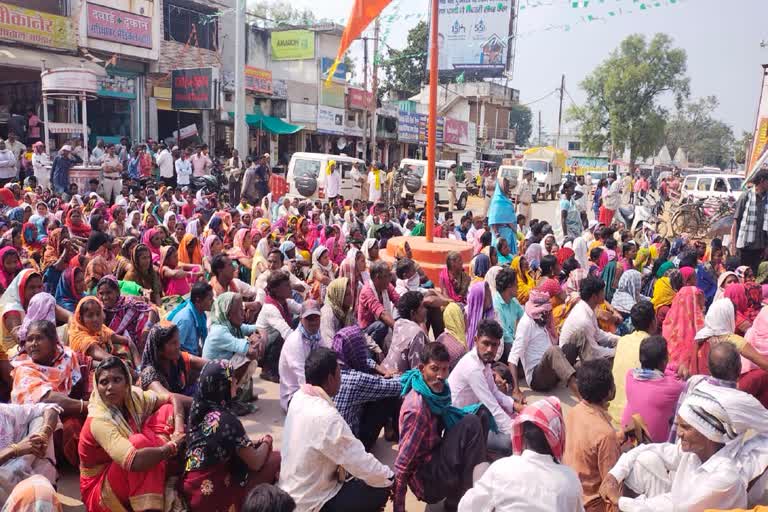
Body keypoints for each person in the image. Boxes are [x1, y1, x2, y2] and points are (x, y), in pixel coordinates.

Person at [601, 381, 768, 511]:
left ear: (708, 434)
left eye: (686, 427)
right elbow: (648, 449)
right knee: (645, 459)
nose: (678, 433)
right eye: (679, 425)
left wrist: (620, 501)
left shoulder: (725, 476)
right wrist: (614, 475)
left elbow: (676, 506)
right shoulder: (693, 452)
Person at [278, 347, 394, 512]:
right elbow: (359, 461)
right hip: (312, 502)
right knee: (380, 485)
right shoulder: (326, 417)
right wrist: (389, 477)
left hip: (292, 492)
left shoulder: (298, 397)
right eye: (339, 373)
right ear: (331, 378)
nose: (341, 377)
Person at [77, 357, 185, 512]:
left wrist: (179, 430)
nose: (110, 387)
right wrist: (172, 446)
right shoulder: (98, 419)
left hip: (127, 464)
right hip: (100, 489)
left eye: (116, 380)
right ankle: (150, 506)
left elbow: (172, 398)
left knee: (167, 410)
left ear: (127, 382)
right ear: (96, 386)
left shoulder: (133, 397)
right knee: (139, 443)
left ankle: (158, 472)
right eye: (104, 382)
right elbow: (134, 460)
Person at [394, 342, 491, 512]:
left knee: (480, 413)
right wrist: (399, 508)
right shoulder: (417, 409)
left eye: (445, 369)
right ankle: (469, 501)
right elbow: (402, 465)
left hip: (435, 458)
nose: (441, 375)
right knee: (471, 424)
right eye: (434, 369)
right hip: (426, 480)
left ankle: (458, 499)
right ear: (422, 368)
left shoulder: (436, 394)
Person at [182, 360, 280, 510]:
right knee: (275, 458)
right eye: (231, 379)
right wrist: (267, 441)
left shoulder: (197, 410)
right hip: (214, 495)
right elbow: (256, 461)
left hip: (192, 490)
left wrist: (252, 443)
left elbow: (222, 443)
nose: (235, 381)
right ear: (222, 385)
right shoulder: (226, 421)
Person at [458, 397, 584, 512]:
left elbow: (465, 508)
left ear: (521, 435)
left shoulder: (501, 468)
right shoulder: (570, 479)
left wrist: (478, 485)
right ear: (557, 437)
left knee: (482, 469)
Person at [564, 358, 624, 512]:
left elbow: (587, 446)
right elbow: (610, 487)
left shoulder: (573, 412)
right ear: (609, 391)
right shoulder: (606, 434)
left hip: (572, 495)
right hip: (592, 505)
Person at [448, 319, 516, 454]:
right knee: (512, 442)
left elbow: (494, 392)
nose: (490, 349)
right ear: (476, 340)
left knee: (510, 409)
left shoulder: (484, 362)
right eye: (486, 343)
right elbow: (492, 406)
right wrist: (515, 432)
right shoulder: (472, 368)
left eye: (494, 345)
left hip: (473, 416)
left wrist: (517, 406)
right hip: (458, 427)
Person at [331, 326, 402, 449]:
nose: (363, 351)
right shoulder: (356, 379)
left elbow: (365, 361)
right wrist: (404, 375)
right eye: (361, 348)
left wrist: (381, 369)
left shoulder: (331, 366)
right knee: (387, 395)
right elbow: (396, 386)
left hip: (334, 438)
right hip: (354, 446)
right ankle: (394, 432)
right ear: (356, 350)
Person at [509, 289, 579, 395]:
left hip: (552, 371)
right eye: (544, 312)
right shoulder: (526, 324)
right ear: (536, 311)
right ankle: (581, 396)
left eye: (548, 311)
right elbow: (512, 358)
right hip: (537, 378)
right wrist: (516, 390)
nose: (547, 315)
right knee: (553, 351)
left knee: (578, 336)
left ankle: (592, 377)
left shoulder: (544, 321)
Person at [202, 292, 261, 411]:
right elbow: (251, 352)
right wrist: (254, 341)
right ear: (228, 314)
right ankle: (230, 400)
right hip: (213, 381)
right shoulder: (219, 331)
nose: (243, 314)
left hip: (221, 373)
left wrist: (256, 335)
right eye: (239, 310)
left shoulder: (230, 325)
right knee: (245, 358)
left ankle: (235, 395)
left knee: (245, 356)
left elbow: (257, 329)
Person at [621, 335, 685, 442]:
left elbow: (660, 373)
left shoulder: (630, 375)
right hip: (653, 446)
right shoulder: (673, 387)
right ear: (664, 361)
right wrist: (677, 367)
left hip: (628, 438)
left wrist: (672, 367)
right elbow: (680, 381)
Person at [0, 402, 60, 508]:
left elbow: (50, 408)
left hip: (18, 468)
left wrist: (44, 433)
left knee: (40, 420)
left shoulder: (4, 412)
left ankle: (29, 479)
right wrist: (15, 449)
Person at [608, 300, 658, 424]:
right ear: (653, 322)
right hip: (632, 421)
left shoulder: (623, 340)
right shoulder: (652, 347)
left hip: (611, 411)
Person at [139, 321, 206, 407]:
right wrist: (202, 404)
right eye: (173, 343)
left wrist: (224, 366)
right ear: (159, 349)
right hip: (164, 416)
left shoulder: (177, 359)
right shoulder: (149, 374)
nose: (178, 345)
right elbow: (168, 397)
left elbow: (206, 364)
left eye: (178, 341)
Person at [255, 271, 301, 383]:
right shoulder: (270, 308)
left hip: (272, 342)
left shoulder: (285, 302)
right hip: (262, 348)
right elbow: (286, 332)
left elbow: (302, 309)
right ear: (275, 289)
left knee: (302, 319)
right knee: (281, 334)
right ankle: (269, 370)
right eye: (286, 285)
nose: (290, 288)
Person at [560, 275, 618, 362]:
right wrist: (616, 352)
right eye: (602, 291)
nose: (604, 293)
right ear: (594, 297)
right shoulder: (583, 319)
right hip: (574, 361)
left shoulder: (587, 307)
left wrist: (619, 340)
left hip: (586, 352)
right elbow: (594, 352)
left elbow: (598, 334)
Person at [278, 300, 323, 411]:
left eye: (316, 318)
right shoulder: (295, 341)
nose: (313, 322)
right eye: (309, 318)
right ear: (301, 319)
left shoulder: (317, 336)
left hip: (312, 387)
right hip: (294, 396)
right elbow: (303, 380)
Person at [731, 169, 768, 272]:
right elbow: (736, 222)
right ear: (762, 181)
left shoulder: (766, 199)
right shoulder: (745, 196)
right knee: (745, 274)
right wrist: (734, 246)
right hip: (745, 247)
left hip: (760, 248)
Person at [383, 291, 429, 373]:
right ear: (413, 313)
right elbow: (416, 370)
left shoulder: (399, 323)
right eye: (422, 307)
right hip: (396, 379)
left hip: (384, 370)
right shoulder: (418, 333)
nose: (425, 310)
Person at [357, 261, 399, 349]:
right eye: (387, 276)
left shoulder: (386, 286)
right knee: (382, 326)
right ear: (377, 278)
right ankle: (370, 352)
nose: (390, 279)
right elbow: (381, 313)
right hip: (367, 330)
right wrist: (398, 328)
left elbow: (399, 301)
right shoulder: (367, 291)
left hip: (381, 324)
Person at [167, 282, 213, 357]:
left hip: (193, 355)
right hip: (184, 361)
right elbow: (175, 350)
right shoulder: (186, 320)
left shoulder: (200, 315)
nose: (213, 301)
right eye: (210, 299)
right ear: (198, 300)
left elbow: (193, 343)